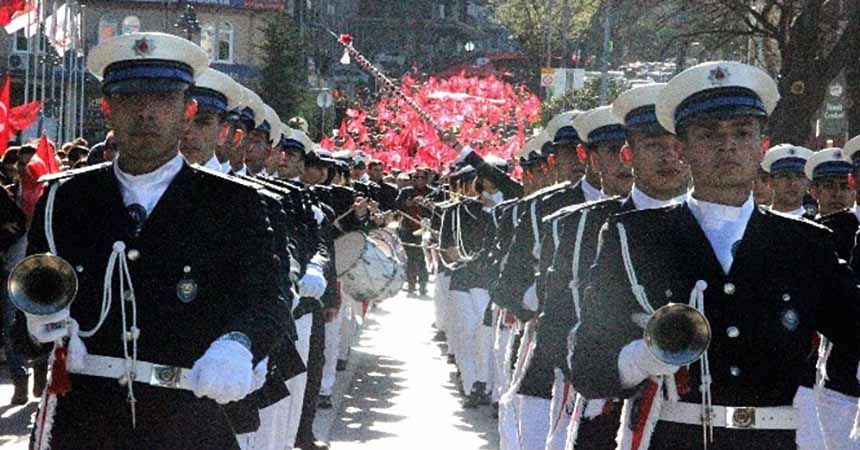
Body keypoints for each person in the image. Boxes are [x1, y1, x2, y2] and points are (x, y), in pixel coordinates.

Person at [10, 32, 294, 450]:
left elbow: (269, 301)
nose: (145, 112)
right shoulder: (64, 200)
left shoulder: (233, 203)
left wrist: (239, 344)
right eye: (128, 99)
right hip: (86, 424)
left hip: (189, 422)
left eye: (162, 99)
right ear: (107, 109)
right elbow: (25, 322)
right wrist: (36, 332)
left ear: (187, 110)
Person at [569, 61, 860, 450]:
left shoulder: (806, 244)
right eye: (708, 135)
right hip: (675, 437)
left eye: (742, 133)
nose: (727, 146)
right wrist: (643, 357)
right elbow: (587, 367)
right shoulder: (635, 237)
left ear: (761, 146)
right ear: (682, 149)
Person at [540, 83, 688, 450]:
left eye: (676, 146)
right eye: (654, 145)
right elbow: (559, 315)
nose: (668, 158)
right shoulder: (586, 225)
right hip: (602, 402)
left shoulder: (712, 226)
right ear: (629, 153)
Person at [180, 69, 243, 170]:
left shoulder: (227, 186)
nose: (189, 135)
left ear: (223, 133)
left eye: (203, 123)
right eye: (183, 120)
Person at [760, 144, 813, 217]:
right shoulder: (756, 221)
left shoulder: (816, 226)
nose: (793, 183)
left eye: (800, 177)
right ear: (771, 181)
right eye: (785, 176)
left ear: (808, 183)